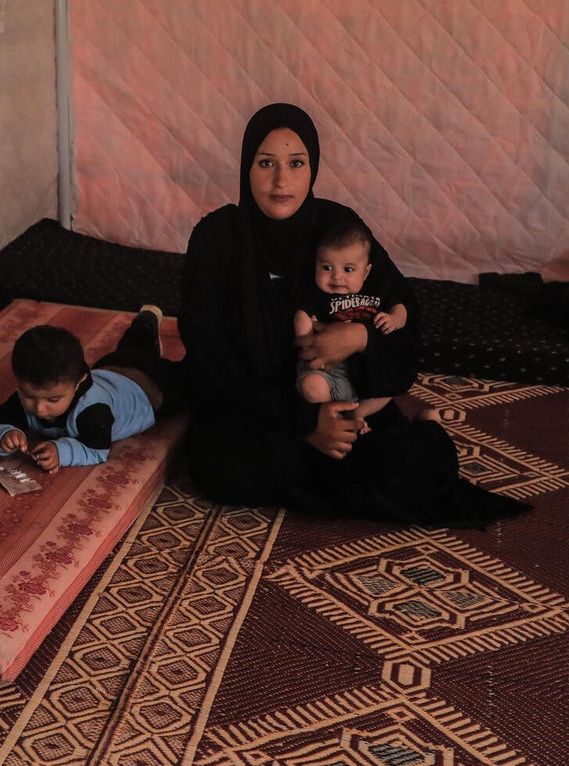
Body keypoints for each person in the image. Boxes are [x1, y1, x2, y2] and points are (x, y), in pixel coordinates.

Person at [179, 102, 528, 526]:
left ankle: (411, 426)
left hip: (343, 399)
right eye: (265, 163)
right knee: (220, 470)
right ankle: (332, 467)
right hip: (257, 408)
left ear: (314, 168)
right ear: (245, 167)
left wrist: (361, 338)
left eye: (296, 163)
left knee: (413, 472)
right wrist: (306, 423)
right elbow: (208, 354)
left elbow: (405, 314)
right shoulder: (217, 239)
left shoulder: (336, 227)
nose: (281, 180)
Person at [0, 306, 180, 472]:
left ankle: (147, 325)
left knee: (194, 379)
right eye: (29, 395)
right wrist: (2, 435)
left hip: (150, 389)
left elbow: (97, 451)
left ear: (79, 382)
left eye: (53, 400)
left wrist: (61, 451)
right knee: (133, 347)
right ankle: (146, 322)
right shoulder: (25, 398)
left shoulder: (93, 411)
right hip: (111, 366)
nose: (39, 408)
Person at [293, 219, 412, 432]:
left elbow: (402, 308)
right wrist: (307, 334)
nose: (337, 276)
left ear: (365, 272)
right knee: (311, 387)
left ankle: (357, 413)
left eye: (348, 269)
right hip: (326, 368)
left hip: (365, 367)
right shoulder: (317, 295)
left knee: (394, 384)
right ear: (315, 266)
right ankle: (333, 414)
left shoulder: (377, 292)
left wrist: (394, 319)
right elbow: (300, 314)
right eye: (327, 267)